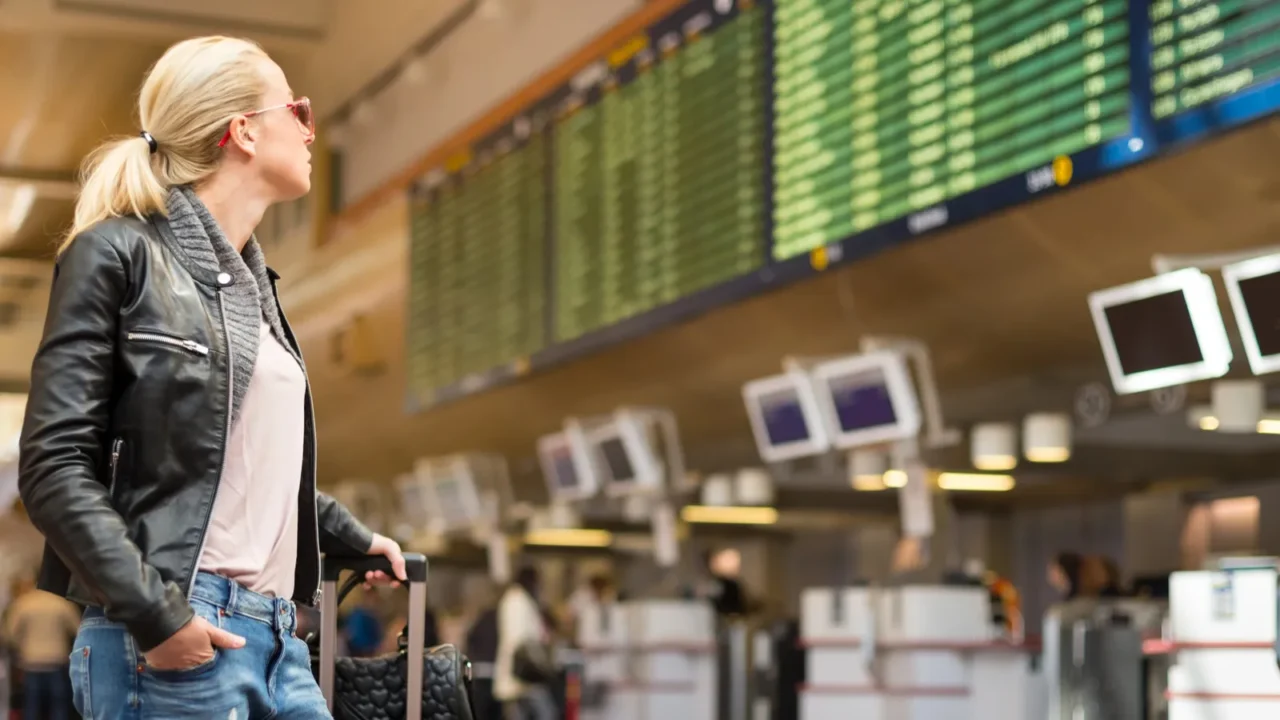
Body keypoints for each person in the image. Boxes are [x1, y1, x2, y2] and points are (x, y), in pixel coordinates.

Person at [17, 36, 407, 719]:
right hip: (177, 631)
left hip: (278, 638)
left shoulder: (257, 292)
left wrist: (351, 536)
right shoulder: (116, 252)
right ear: (244, 131)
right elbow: (53, 465)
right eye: (299, 109)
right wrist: (157, 617)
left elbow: (223, 463)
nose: (311, 128)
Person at [3, 577, 80, 720]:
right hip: (56, 660)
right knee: (59, 706)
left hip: (31, 661)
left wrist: (21, 648)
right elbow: (78, 630)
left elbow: (10, 634)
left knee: (32, 706)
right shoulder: (61, 603)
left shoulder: (24, 603)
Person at [495, 567, 556, 720]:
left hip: (525, 677)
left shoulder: (523, 600)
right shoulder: (516, 600)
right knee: (543, 713)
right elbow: (519, 638)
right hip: (521, 673)